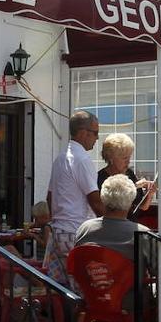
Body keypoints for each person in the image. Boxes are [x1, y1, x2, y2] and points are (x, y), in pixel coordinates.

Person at [74, 174, 157, 312]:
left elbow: (77, 265)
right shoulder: (142, 233)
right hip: (129, 302)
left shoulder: (85, 229)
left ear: (103, 198)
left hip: (93, 297)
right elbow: (157, 269)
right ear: (130, 203)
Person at [44, 110, 105, 286]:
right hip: (75, 232)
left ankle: (64, 315)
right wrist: (112, 225)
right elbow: (95, 201)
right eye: (95, 133)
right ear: (83, 132)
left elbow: (50, 197)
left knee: (60, 289)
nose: (97, 138)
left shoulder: (60, 159)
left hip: (58, 232)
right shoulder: (82, 160)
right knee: (85, 288)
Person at [97, 133, 157, 216]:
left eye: (129, 157)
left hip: (132, 225)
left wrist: (150, 194)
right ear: (111, 158)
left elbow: (143, 206)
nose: (128, 161)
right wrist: (134, 186)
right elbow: (108, 208)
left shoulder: (129, 174)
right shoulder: (100, 178)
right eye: (125, 158)